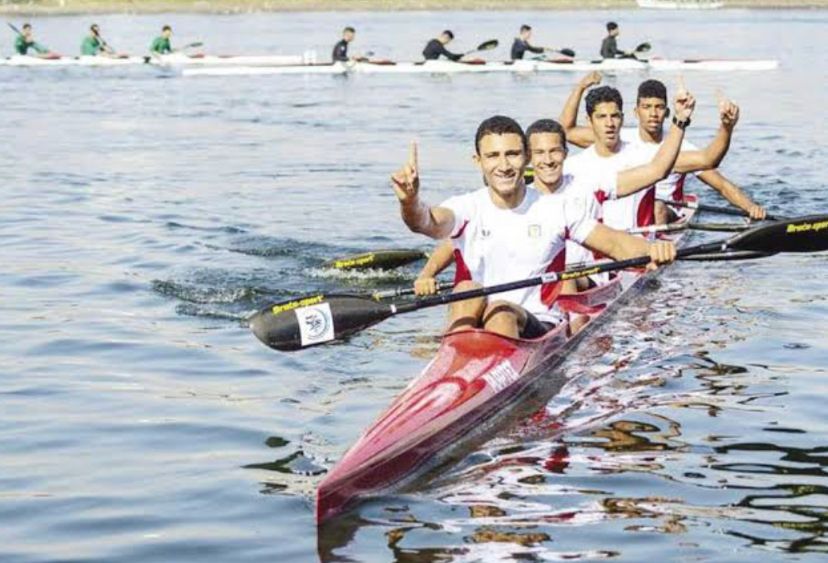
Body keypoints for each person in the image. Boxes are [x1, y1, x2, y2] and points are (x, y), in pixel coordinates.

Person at [391, 115, 679, 339]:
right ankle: (456, 362)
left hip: (539, 326)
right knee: (467, 288)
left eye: (512, 154)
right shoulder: (466, 207)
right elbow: (426, 222)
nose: (504, 165)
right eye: (493, 156)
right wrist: (410, 201)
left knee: (500, 311)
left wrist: (655, 249)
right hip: (476, 324)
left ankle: (480, 375)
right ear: (477, 161)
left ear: (526, 157)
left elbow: (616, 244)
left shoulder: (557, 209)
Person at [559, 72, 737, 233]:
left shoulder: (645, 155)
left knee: (658, 207)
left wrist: (725, 127)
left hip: (641, 247)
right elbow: (565, 131)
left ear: (622, 118)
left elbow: (708, 159)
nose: (609, 124)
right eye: (601, 117)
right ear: (589, 121)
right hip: (600, 247)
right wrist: (580, 87)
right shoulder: (572, 166)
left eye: (615, 116)